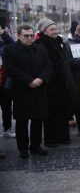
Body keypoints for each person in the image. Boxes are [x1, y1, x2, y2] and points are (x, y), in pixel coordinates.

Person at [4, 24, 52, 158]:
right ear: (19, 36)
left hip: (39, 89)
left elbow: (48, 66)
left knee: (38, 119)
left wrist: (41, 79)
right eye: (26, 36)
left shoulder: (40, 49)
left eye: (31, 35)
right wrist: (29, 81)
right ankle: (23, 148)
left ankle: (36, 145)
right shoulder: (10, 50)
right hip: (21, 90)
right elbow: (11, 69)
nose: (30, 38)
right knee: (22, 121)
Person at [35, 18, 77, 147]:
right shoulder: (41, 44)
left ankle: (63, 136)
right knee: (51, 114)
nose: (55, 31)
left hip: (63, 83)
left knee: (63, 113)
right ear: (44, 31)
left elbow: (66, 62)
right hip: (51, 85)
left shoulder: (60, 42)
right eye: (52, 29)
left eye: (55, 29)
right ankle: (51, 139)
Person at [0, 26, 15, 138]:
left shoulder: (6, 47)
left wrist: (2, 32)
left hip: (5, 81)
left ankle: (7, 128)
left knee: (6, 106)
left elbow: (12, 44)